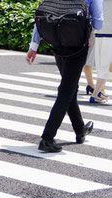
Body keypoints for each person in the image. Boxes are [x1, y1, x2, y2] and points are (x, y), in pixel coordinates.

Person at [26, 0, 104, 152]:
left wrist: (33, 46)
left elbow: (44, 13)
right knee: (66, 91)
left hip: (57, 42)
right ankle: (47, 138)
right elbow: (98, 24)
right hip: (77, 46)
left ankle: (80, 129)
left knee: (70, 88)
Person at [90, 0, 111, 103]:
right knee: (107, 66)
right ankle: (96, 93)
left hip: (100, 31)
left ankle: (100, 92)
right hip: (110, 33)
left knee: (103, 64)